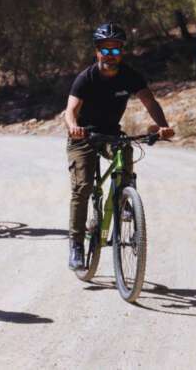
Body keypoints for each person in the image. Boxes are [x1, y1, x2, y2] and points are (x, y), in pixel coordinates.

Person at [64, 23, 175, 270]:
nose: (111, 56)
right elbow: (70, 110)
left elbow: (150, 101)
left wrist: (163, 126)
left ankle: (126, 200)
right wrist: (73, 126)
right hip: (83, 137)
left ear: (121, 53)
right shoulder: (87, 77)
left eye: (116, 51)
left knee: (126, 149)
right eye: (106, 50)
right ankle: (76, 245)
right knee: (82, 187)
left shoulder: (130, 75)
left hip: (110, 134)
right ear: (97, 51)